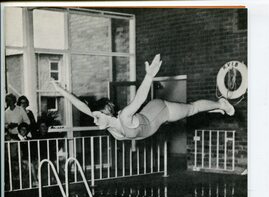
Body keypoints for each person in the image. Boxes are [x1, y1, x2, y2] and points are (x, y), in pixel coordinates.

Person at [52, 54, 235, 141]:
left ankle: (220, 104)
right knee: (193, 110)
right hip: (151, 122)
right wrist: (61, 91)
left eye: (97, 116)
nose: (94, 120)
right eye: (95, 117)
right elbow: (82, 107)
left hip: (159, 111)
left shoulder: (123, 117)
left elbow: (139, 100)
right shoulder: (107, 123)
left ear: (107, 112)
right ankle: (215, 107)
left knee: (192, 109)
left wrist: (149, 76)